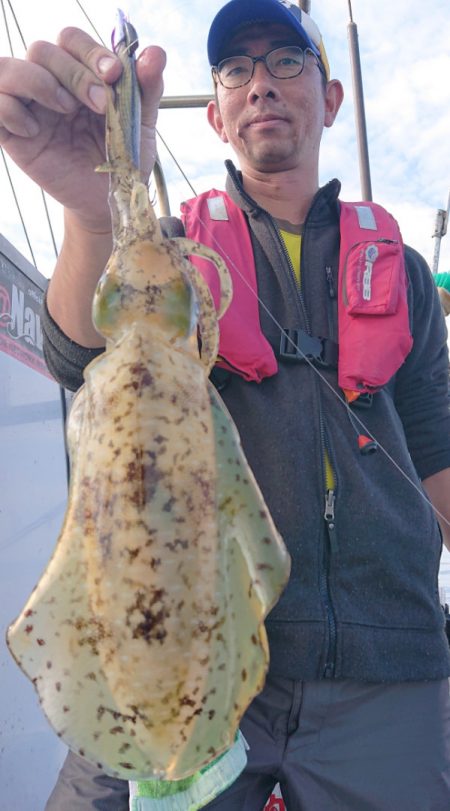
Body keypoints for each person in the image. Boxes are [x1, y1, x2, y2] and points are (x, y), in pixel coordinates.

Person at [1, 0, 450, 808]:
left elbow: (437, 455)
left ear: (331, 97)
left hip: (388, 663)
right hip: (201, 644)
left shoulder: (404, 272)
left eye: (286, 60)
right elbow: (77, 352)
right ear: (214, 113)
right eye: (237, 70)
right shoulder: (174, 256)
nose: (261, 85)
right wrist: (91, 213)